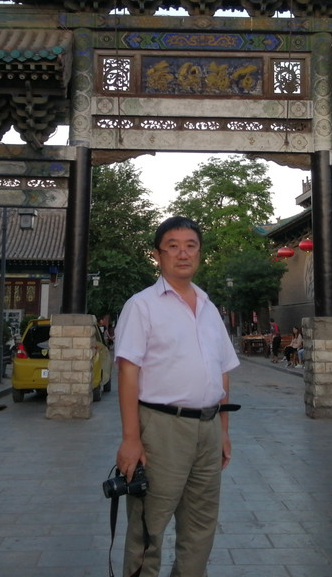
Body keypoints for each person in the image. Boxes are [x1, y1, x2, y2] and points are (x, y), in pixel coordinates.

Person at [114, 216, 241, 577]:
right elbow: (127, 371)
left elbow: (222, 371)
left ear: (200, 253)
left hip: (207, 427)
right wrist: (130, 438)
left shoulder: (208, 307)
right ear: (158, 255)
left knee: (200, 527)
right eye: (173, 246)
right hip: (161, 427)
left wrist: (224, 429)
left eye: (191, 245)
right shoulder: (142, 305)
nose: (182, 253)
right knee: (148, 527)